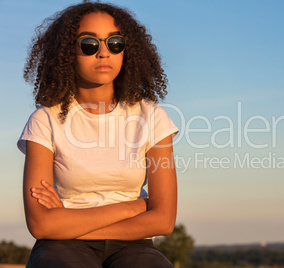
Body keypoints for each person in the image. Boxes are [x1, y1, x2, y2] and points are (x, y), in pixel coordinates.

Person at [17, 2, 178, 267]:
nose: (104, 53)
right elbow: (40, 224)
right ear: (67, 52)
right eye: (89, 44)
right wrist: (134, 207)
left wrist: (67, 223)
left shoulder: (153, 118)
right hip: (61, 247)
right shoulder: (44, 121)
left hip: (133, 245)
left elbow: (163, 220)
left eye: (115, 43)